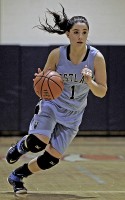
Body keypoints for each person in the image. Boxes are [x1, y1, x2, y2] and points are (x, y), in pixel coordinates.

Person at [6, 4, 107, 194]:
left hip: (74, 114)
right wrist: (40, 82)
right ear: (68, 34)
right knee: (38, 142)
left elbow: (101, 92)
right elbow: (43, 86)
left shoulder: (96, 58)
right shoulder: (57, 54)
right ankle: (20, 147)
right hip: (52, 105)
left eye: (84, 32)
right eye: (76, 32)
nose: (80, 36)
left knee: (51, 159)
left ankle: (17, 176)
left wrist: (89, 81)